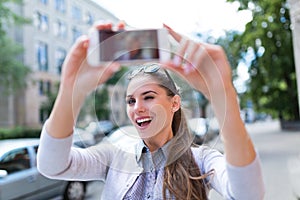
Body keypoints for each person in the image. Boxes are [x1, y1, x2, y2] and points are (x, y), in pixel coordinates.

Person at [37, 22, 265, 200]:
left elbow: (249, 193)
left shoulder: (202, 159)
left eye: (148, 97)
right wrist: (71, 89)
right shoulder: (113, 156)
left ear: (174, 103)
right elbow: (52, 166)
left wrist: (222, 92)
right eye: (130, 101)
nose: (138, 108)